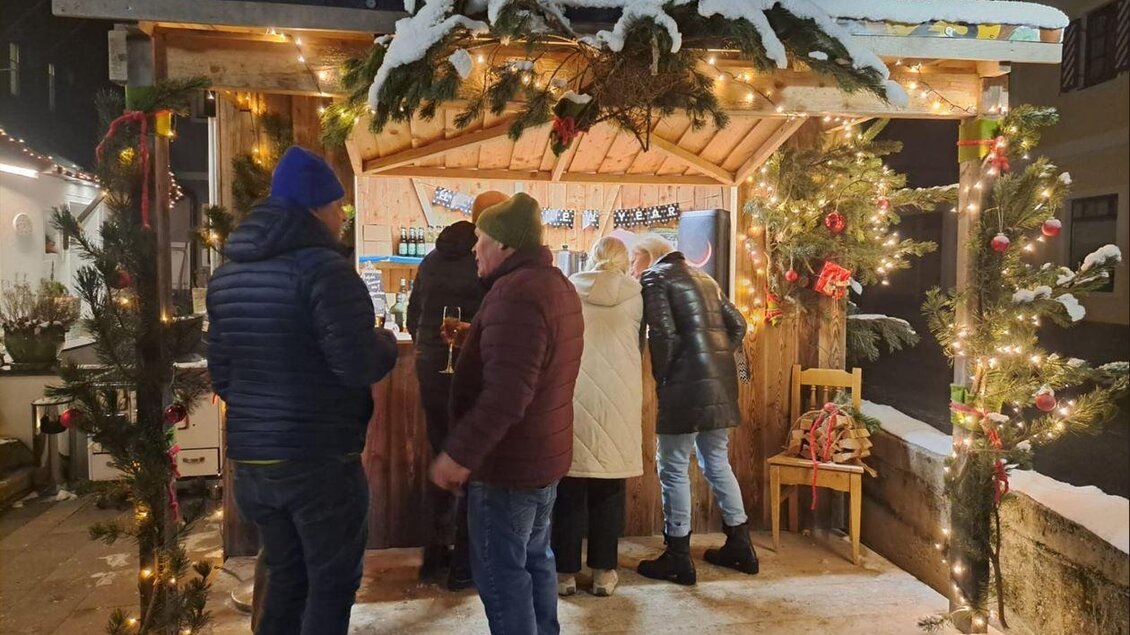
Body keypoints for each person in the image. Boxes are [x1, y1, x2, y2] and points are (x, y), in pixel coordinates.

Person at [207, 146, 399, 635]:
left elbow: (223, 376)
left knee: (285, 576)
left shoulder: (226, 275)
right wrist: (385, 342)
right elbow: (358, 365)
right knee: (331, 584)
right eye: (338, 207)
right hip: (319, 462)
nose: (341, 217)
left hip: (253, 462)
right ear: (315, 207)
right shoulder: (326, 271)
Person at [429, 192, 584, 635]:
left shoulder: (515, 295)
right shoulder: (554, 285)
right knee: (536, 561)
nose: (475, 248)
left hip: (507, 468)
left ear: (506, 246)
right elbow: (533, 363)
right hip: (543, 458)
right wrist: (477, 335)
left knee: (503, 579)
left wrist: (457, 455)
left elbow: (506, 395)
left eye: (481, 239)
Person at [632, 233, 759, 586]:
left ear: (648, 257)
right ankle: (741, 545)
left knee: (672, 468)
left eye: (633, 261)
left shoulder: (655, 277)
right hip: (720, 384)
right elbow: (738, 324)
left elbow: (663, 334)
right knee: (717, 463)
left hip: (683, 387)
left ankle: (677, 557)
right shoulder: (704, 277)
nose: (631, 268)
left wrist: (666, 376)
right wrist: (712, 357)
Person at [406, 190, 506, 590]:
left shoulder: (431, 259)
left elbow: (414, 317)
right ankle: (465, 565)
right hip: (468, 371)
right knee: (471, 462)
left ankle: (433, 555)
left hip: (430, 369)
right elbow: (493, 325)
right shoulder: (489, 260)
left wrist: (428, 350)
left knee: (441, 454)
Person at [551, 236, 643, 598]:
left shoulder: (570, 289)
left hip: (575, 392)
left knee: (570, 486)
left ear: (591, 258)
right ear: (624, 261)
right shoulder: (636, 294)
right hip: (620, 396)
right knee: (609, 486)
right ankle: (604, 573)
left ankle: (564, 574)